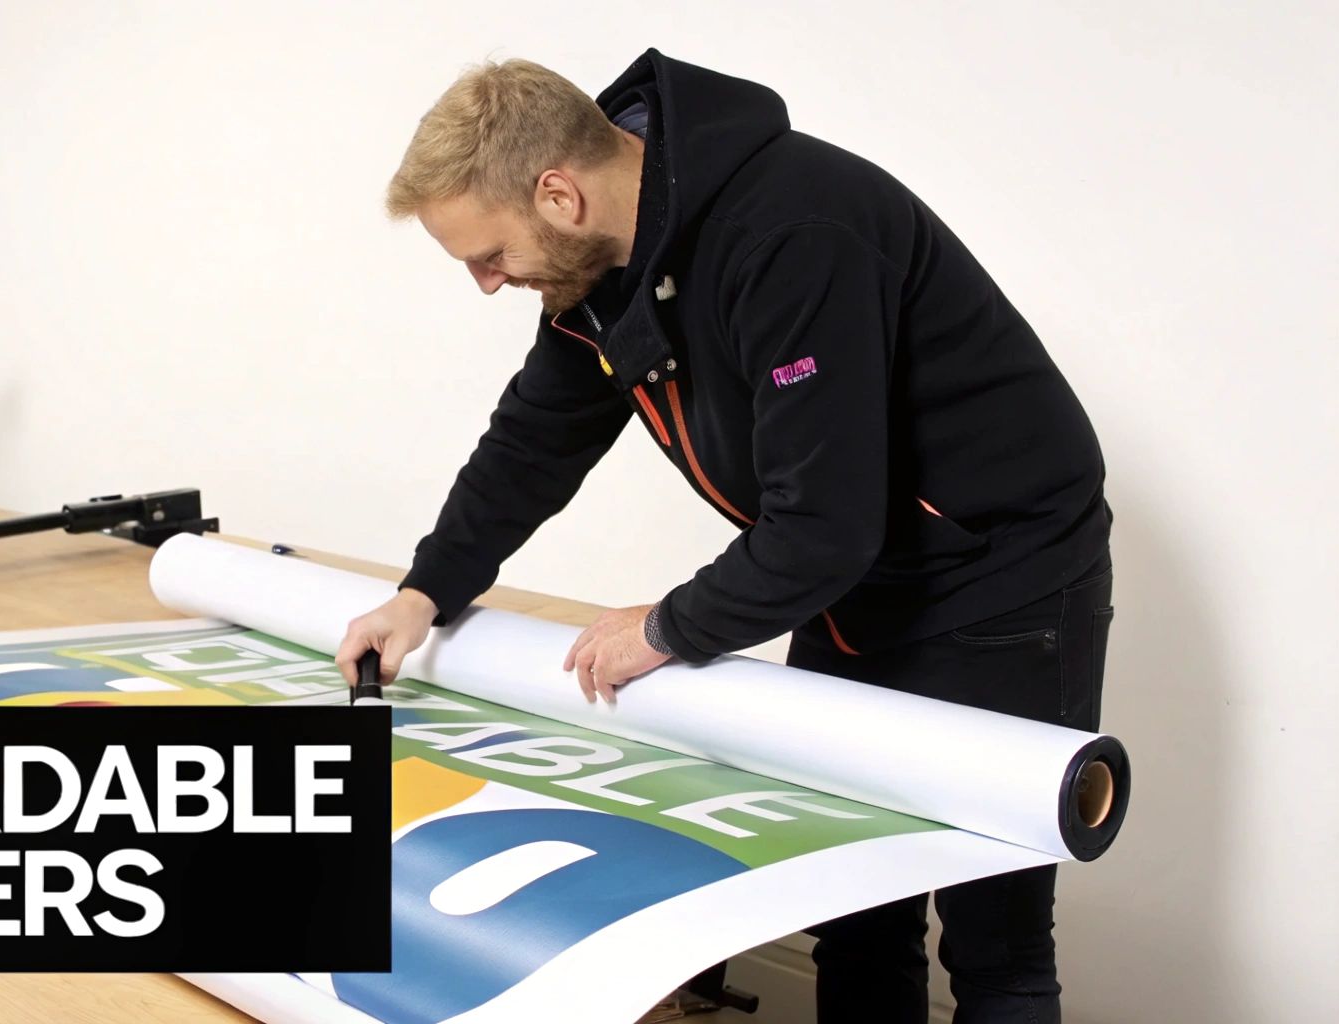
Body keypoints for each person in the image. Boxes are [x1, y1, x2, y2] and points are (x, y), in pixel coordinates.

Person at [335, 50, 1114, 1024]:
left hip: (1002, 571)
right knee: (856, 903)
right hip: (854, 577)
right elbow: (532, 444)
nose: (488, 283)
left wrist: (664, 627)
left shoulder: (791, 229)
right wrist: (423, 591)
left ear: (558, 193)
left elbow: (823, 524)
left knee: (991, 934)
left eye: (487, 254)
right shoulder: (603, 272)